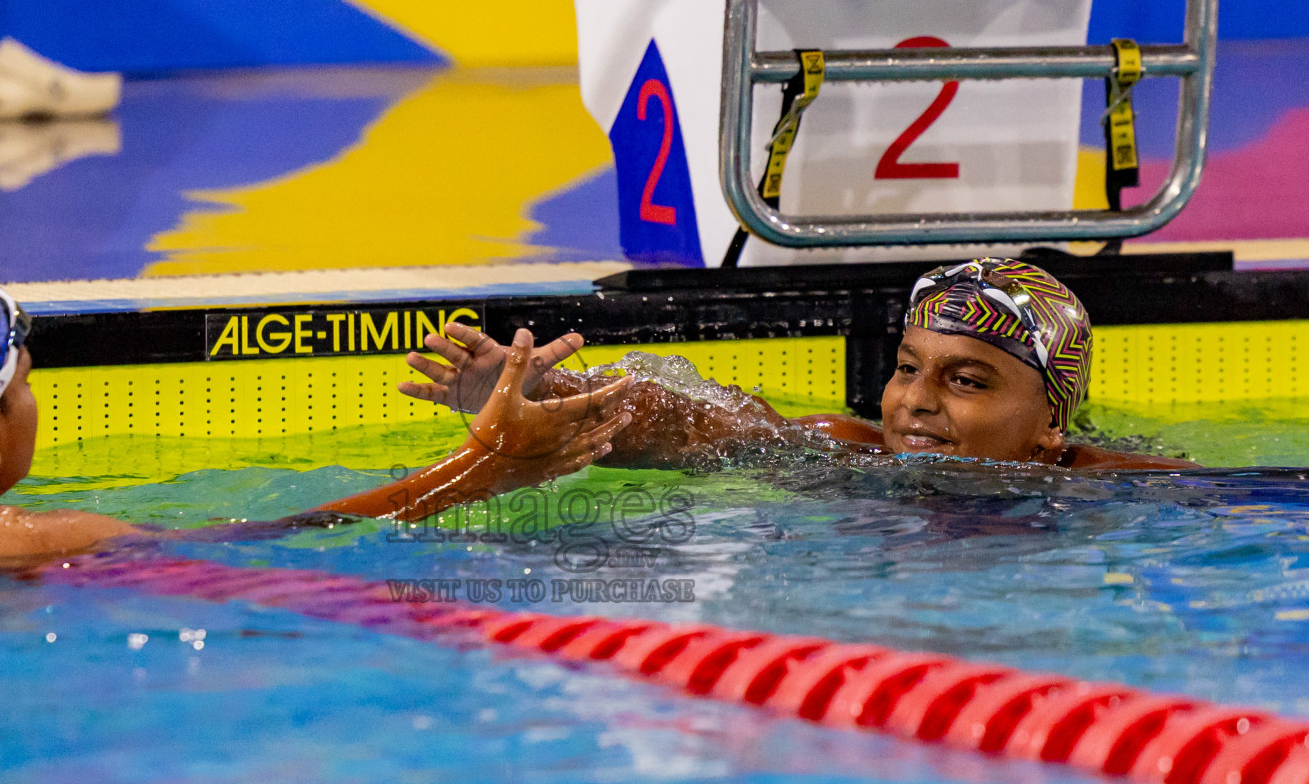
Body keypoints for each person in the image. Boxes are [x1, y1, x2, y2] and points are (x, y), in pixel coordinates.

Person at [0, 259, 632, 564]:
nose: (36, 398)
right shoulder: (10, 542)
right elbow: (285, 538)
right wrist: (490, 463)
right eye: (24, 381)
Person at [400, 257, 1197, 472]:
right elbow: (693, 421)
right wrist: (550, 389)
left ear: (1052, 422)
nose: (915, 402)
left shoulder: (1103, 484)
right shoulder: (843, 451)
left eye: (966, 379)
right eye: (907, 367)